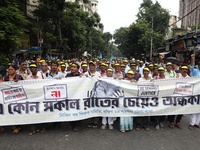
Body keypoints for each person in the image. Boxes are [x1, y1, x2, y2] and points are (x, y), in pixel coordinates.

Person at [26, 63, 47, 135]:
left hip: (41, 96)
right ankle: (34, 128)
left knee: (42, 111)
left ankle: (42, 127)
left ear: (37, 69)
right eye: (31, 68)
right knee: (33, 112)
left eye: (34, 67)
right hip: (32, 97)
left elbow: (47, 84)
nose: (32, 69)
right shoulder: (28, 77)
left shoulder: (42, 76)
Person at [3, 65, 24, 133]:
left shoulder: (19, 77)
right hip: (8, 97)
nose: (10, 71)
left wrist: (18, 82)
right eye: (9, 69)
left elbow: (24, 85)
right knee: (9, 111)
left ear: (15, 70)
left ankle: (18, 126)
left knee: (16, 111)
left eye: (11, 69)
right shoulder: (5, 77)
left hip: (18, 97)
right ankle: (12, 125)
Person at [168, 65, 190, 129]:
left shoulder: (189, 78)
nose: (184, 70)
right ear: (181, 70)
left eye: (186, 69)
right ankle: (171, 121)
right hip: (176, 95)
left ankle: (178, 122)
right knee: (174, 109)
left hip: (184, 96)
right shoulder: (177, 76)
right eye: (183, 69)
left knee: (181, 109)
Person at [66, 63, 81, 131]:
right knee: (70, 109)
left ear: (77, 69)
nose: (72, 68)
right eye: (72, 67)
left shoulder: (81, 75)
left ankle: (77, 125)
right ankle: (71, 123)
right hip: (70, 95)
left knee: (77, 109)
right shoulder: (67, 75)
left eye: (74, 67)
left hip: (78, 95)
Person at [188, 54, 200, 129]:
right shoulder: (195, 70)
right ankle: (192, 123)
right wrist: (192, 59)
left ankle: (197, 122)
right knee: (194, 107)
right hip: (195, 92)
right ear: (198, 65)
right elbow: (191, 67)